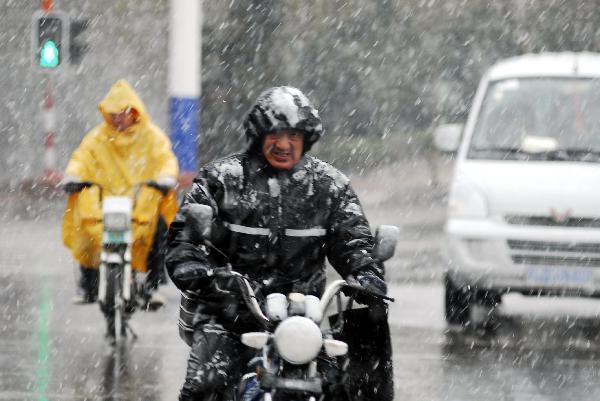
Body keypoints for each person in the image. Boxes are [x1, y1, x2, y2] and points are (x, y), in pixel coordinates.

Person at [165, 86, 388, 401]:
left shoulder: (330, 186)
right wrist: (197, 269)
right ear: (258, 135)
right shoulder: (221, 178)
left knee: (343, 389)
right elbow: (185, 236)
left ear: (306, 139)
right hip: (229, 314)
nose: (284, 144)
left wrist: (366, 273)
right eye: (275, 134)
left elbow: (354, 241)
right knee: (206, 385)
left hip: (303, 319)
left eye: (294, 136)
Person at [61, 79, 179, 311]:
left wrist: (165, 178)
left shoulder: (152, 137)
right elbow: (81, 159)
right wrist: (73, 177)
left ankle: (152, 286)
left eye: (122, 113)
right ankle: (89, 283)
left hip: (139, 203)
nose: (117, 118)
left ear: (134, 111)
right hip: (105, 204)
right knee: (84, 227)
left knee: (158, 229)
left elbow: (165, 159)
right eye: (112, 113)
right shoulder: (97, 138)